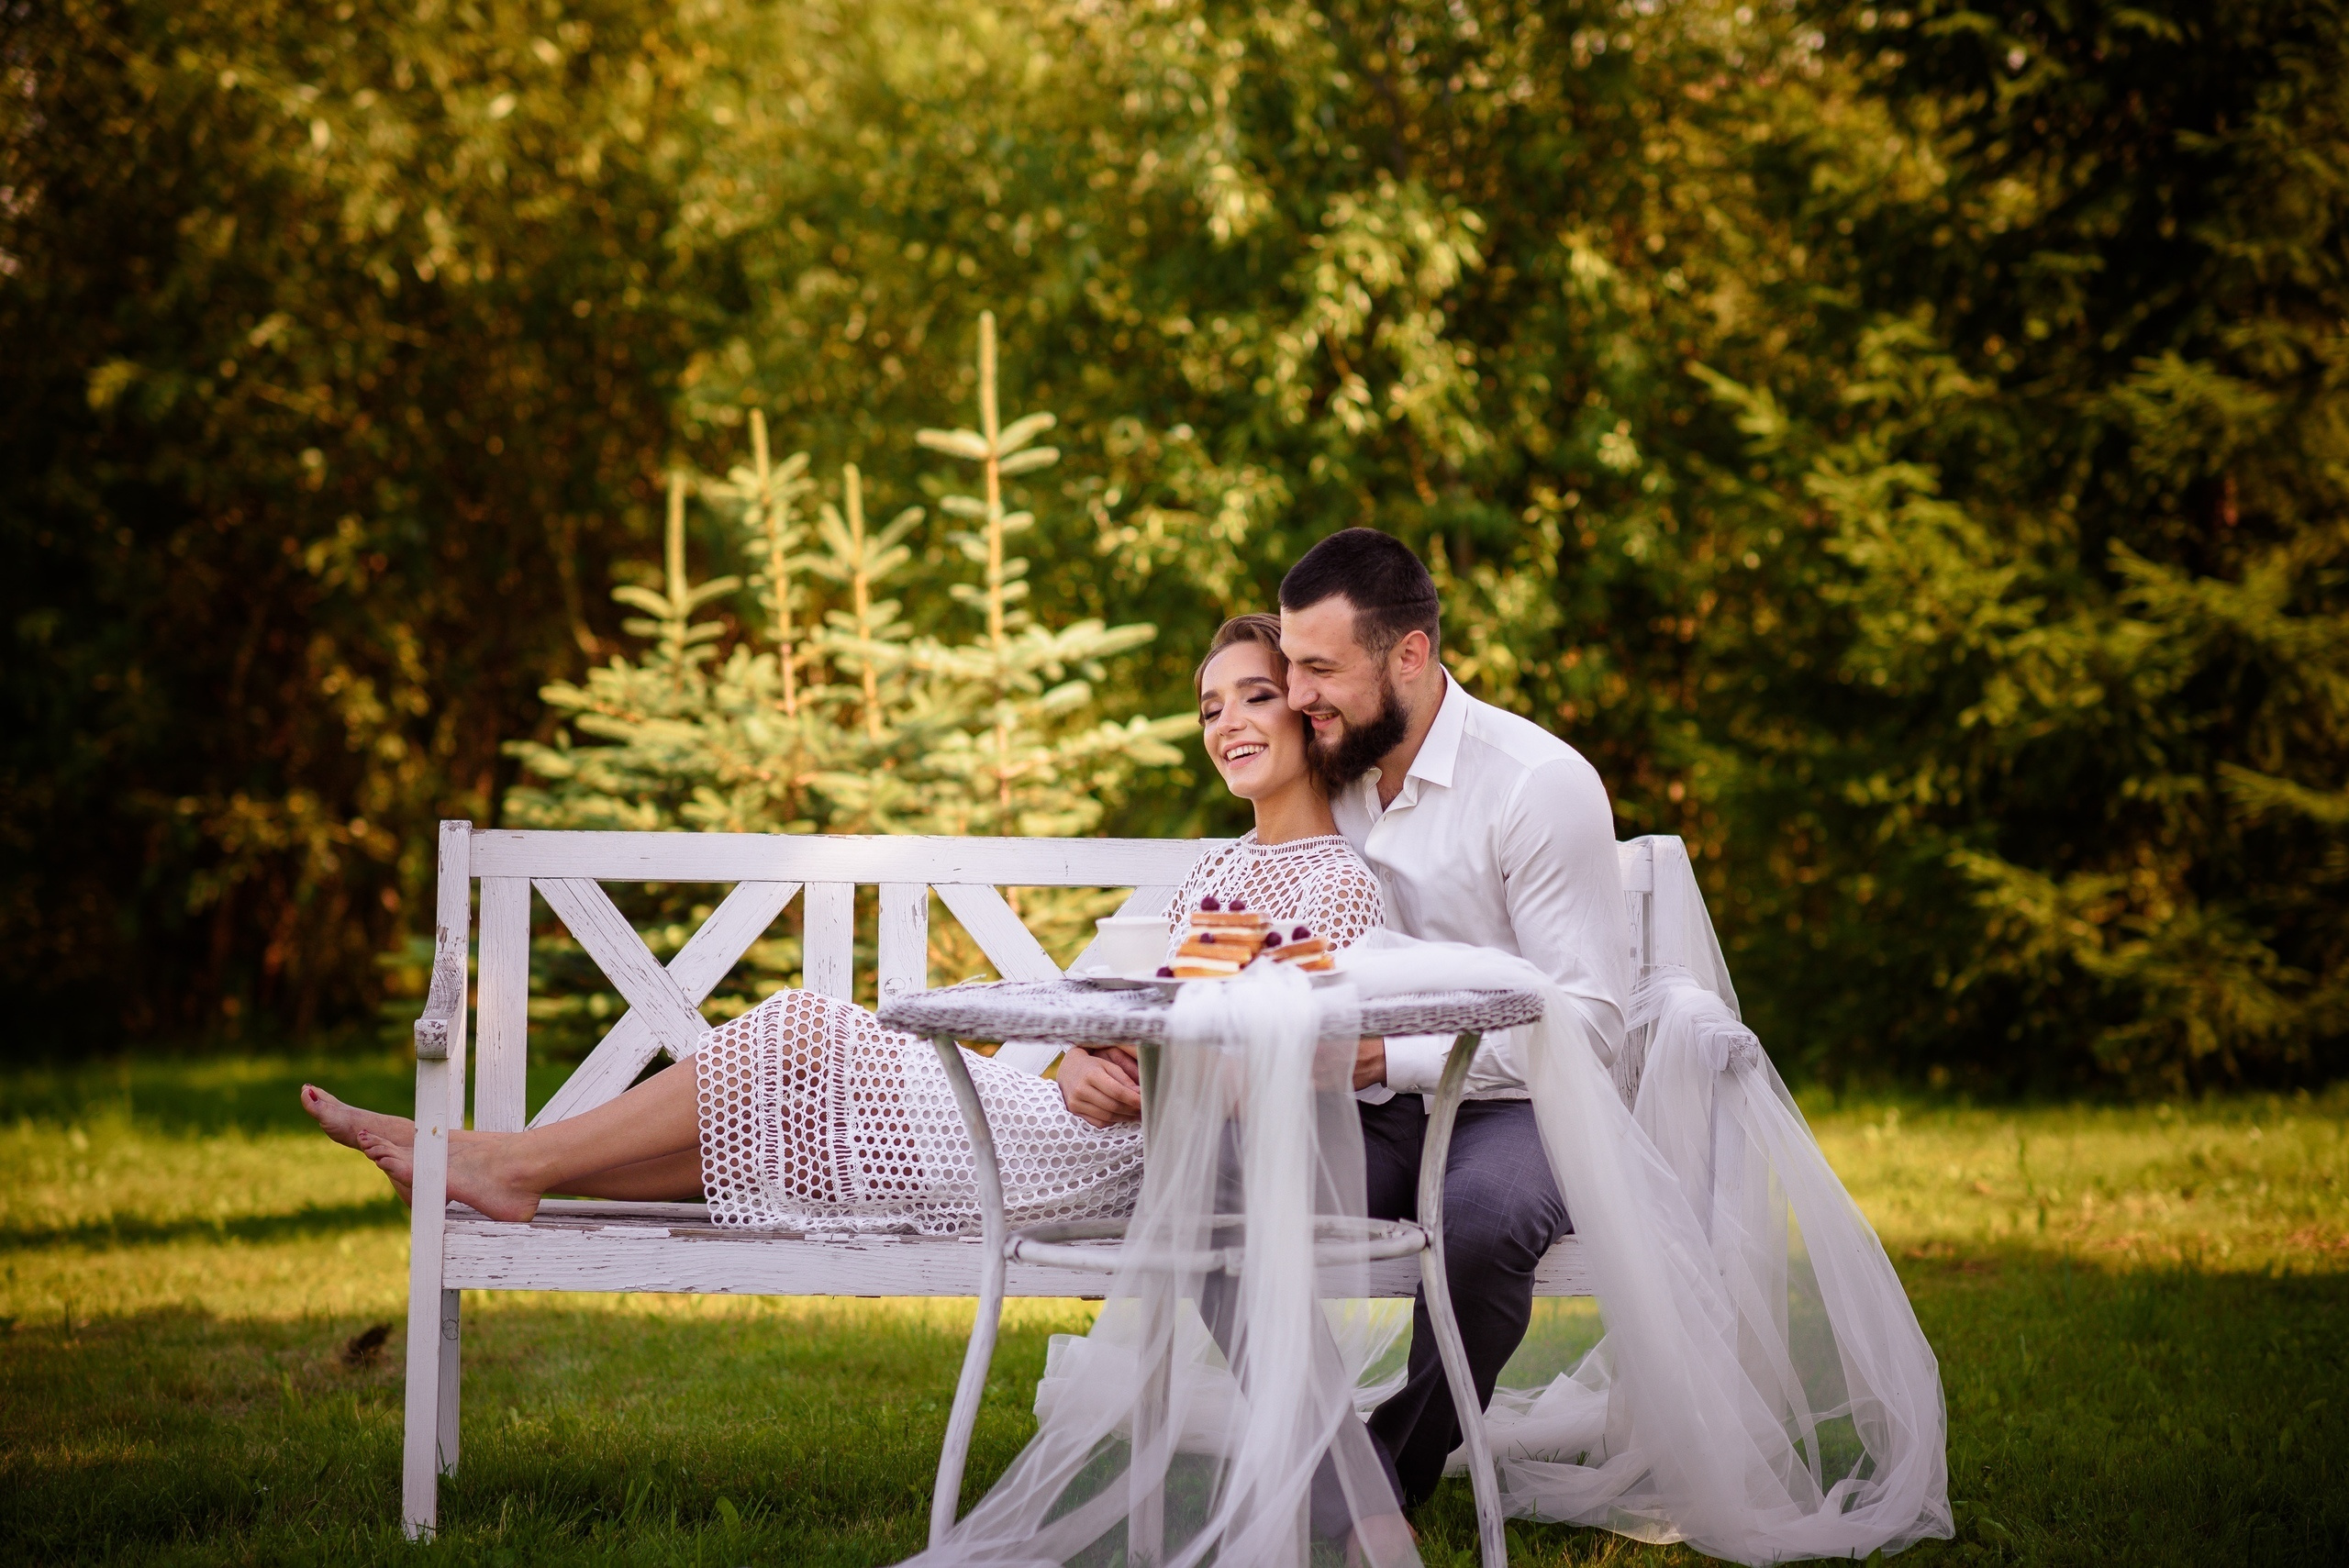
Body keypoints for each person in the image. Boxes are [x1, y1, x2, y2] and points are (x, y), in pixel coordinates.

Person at [297, 614, 1387, 1240]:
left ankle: (500, 1162)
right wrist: (1078, 1064)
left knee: (802, 1033)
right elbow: (1142, 1011)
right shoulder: (1222, 864)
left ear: (1304, 706)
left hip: (1114, 1160)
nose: (1228, 725)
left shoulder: (1335, 880)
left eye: (1251, 697)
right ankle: (508, 1167)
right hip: (1065, 1110)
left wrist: (1124, 1078)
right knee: (789, 1077)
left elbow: (1261, 1051)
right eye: (1209, 707)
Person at [1276, 526, 1633, 1510]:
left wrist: (1387, 1051)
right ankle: (1315, 1449)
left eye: (1318, 666)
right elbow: (1210, 912)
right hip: (1370, 1103)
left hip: (1523, 1099)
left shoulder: (1533, 781)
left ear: (1410, 654)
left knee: (1479, 1221)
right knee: (1220, 1182)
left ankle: (1386, 1472)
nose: (1296, 693)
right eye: (1289, 664)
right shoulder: (1323, 763)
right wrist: (1098, 1040)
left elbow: (1592, 1021)